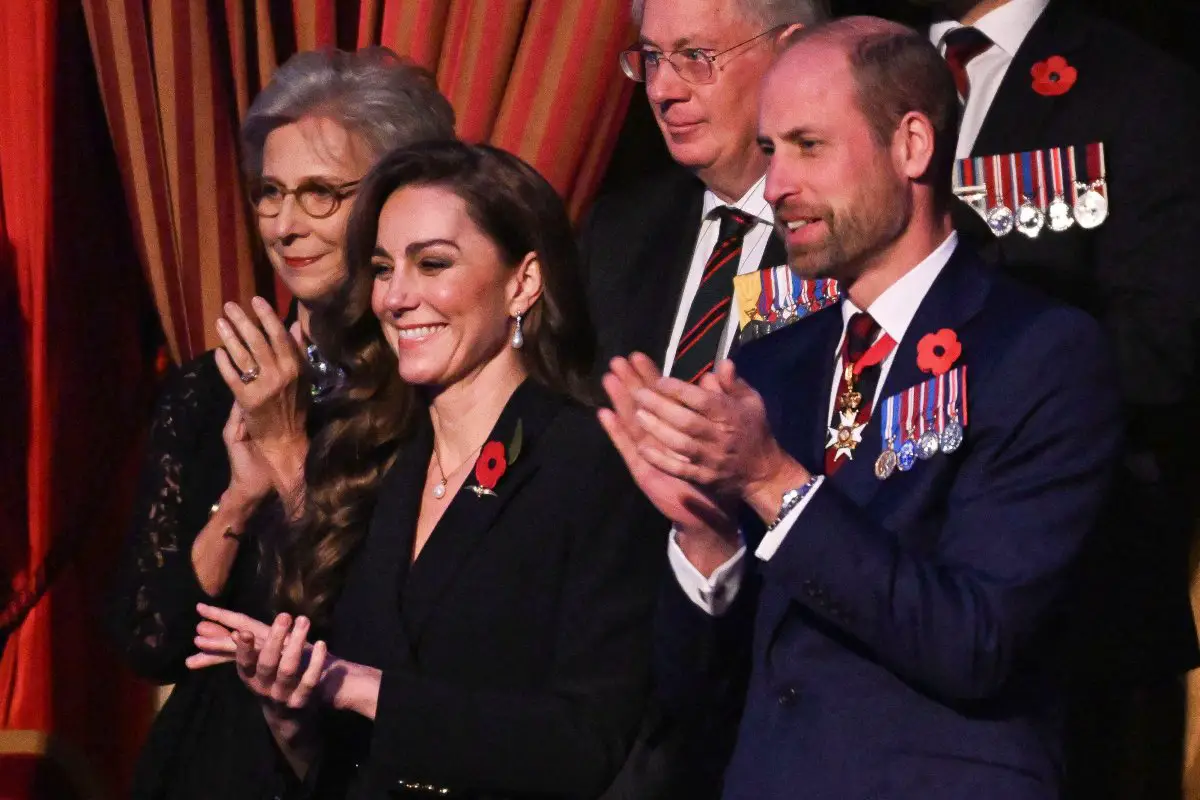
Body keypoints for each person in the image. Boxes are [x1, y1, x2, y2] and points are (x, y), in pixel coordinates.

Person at [600, 17, 1123, 799]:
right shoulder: (770, 367)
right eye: (771, 151)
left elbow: (976, 641)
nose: (777, 186)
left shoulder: (1038, 353)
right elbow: (695, 695)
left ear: (912, 145)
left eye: (809, 146)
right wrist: (705, 542)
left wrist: (774, 482)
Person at [186, 141, 667, 800]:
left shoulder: (589, 461)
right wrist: (288, 706)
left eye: (432, 263)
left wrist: (358, 686)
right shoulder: (368, 461)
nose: (397, 297)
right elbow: (330, 765)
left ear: (522, 282)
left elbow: (591, 742)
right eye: (383, 268)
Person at [106, 48, 455, 800]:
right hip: (202, 770)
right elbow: (150, 641)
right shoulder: (210, 388)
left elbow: (386, 642)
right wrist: (238, 499)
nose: (286, 225)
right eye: (270, 193)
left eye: (322, 195)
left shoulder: (435, 394)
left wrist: (289, 450)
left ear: (397, 200)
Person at [904, 1, 1200, 795]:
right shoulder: (866, 65)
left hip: (1062, 607)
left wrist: (964, 407)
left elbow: (1165, 344)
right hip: (873, 594)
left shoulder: (1136, 86)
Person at [581, 0, 830, 379]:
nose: (661, 90)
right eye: (651, 57)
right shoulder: (619, 231)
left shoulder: (858, 231)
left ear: (789, 54)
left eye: (695, 55)